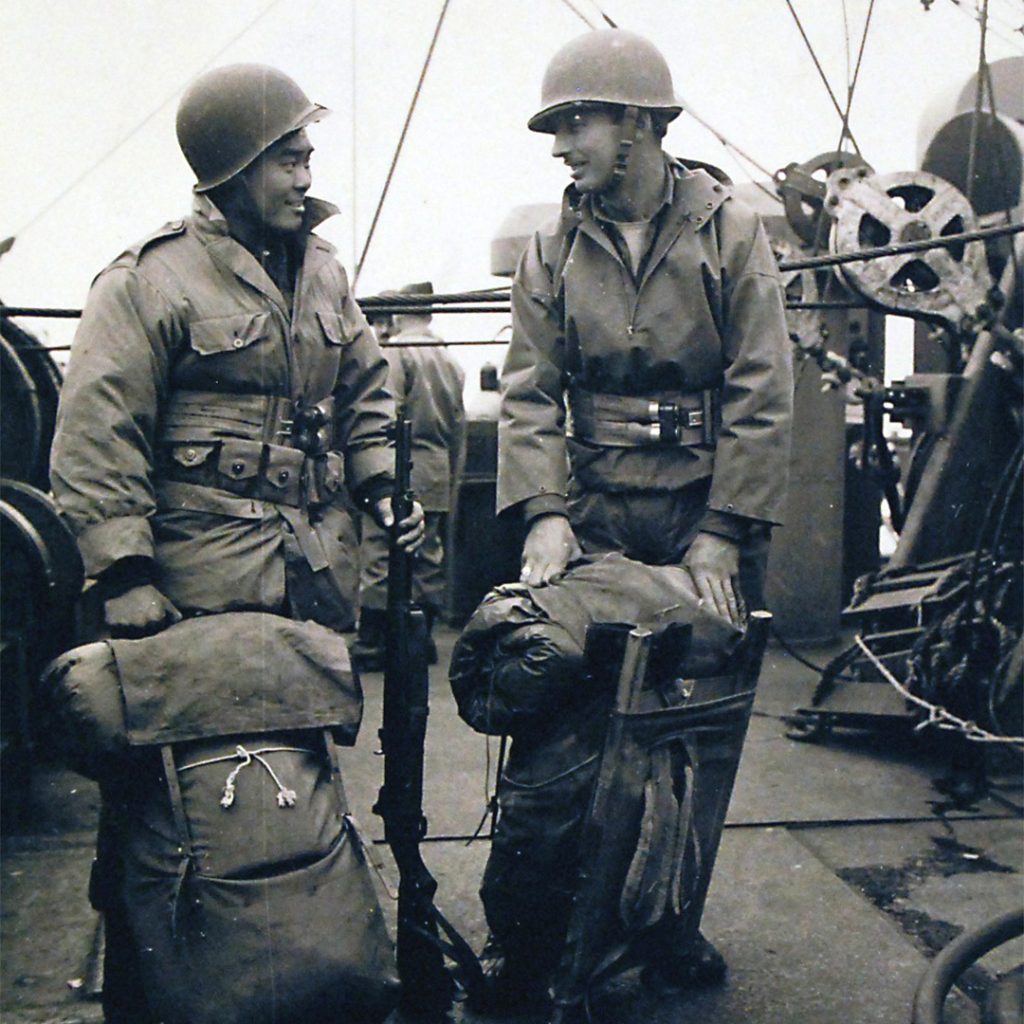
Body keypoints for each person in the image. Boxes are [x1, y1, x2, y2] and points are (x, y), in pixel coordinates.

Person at [49, 63, 423, 1021]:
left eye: (306, 155)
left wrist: (381, 482)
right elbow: (98, 432)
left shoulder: (325, 270)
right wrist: (125, 572)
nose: (306, 174)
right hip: (191, 588)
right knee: (168, 800)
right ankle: (156, 988)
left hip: (302, 584)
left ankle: (292, 973)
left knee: (292, 791)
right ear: (236, 165)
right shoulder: (148, 280)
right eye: (289, 156)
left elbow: (367, 391)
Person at [477, 28, 794, 1012]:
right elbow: (530, 394)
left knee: (696, 722)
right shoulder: (550, 246)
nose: (562, 144)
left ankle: (669, 920)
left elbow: (761, 385)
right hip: (599, 512)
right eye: (559, 126)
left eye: (578, 121)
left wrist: (724, 530)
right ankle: (533, 928)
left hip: (703, 506)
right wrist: (543, 514)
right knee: (564, 695)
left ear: (640, 125)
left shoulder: (728, 232)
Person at [352, 282, 466, 669]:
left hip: (400, 463)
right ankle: (421, 639)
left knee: (381, 552)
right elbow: (458, 422)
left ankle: (374, 641)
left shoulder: (397, 351)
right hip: (437, 466)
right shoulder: (448, 357)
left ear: (400, 312)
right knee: (428, 555)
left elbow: (386, 412)